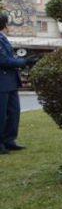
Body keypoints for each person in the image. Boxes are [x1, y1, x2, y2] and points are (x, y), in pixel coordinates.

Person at [0, 13, 37, 154]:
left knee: (14, 112)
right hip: (2, 82)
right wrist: (25, 62)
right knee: (1, 115)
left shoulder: (3, 37)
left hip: (10, 81)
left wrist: (24, 60)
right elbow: (3, 60)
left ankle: (9, 140)